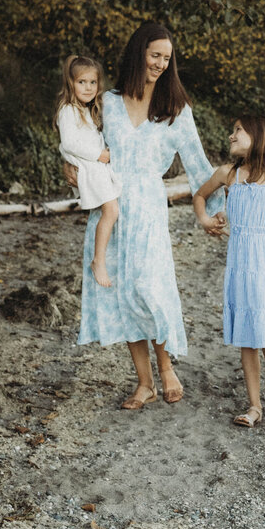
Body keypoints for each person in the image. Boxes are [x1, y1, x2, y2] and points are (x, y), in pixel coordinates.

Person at [66, 22, 222, 410]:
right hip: (113, 206)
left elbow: (200, 166)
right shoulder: (109, 102)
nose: (161, 64)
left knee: (151, 287)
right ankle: (144, 382)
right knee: (122, 291)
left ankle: (167, 368)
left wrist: (211, 213)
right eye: (155, 56)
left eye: (167, 59)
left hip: (150, 209)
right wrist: (68, 168)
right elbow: (81, 141)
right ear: (139, 54)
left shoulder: (176, 109)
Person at [193, 115, 265, 428]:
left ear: (258, 136)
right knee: (247, 331)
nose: (231, 136)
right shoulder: (228, 174)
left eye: (238, 130)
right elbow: (199, 196)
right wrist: (206, 220)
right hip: (239, 261)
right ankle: (254, 405)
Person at [56, 55, 121, 287]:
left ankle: (104, 257)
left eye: (92, 83)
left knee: (114, 207)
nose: (88, 87)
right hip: (90, 166)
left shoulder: (84, 110)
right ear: (70, 83)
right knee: (111, 211)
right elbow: (69, 143)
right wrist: (100, 155)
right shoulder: (68, 110)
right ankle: (98, 261)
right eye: (82, 82)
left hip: (96, 165)